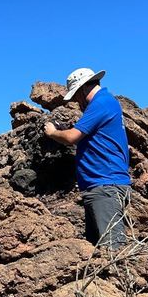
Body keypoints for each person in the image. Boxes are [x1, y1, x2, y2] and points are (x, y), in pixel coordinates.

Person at [43, 67, 131, 249]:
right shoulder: (104, 104)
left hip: (106, 186)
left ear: (83, 88)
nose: (77, 102)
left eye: (76, 96)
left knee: (113, 250)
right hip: (100, 186)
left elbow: (71, 137)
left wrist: (52, 133)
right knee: (98, 251)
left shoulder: (102, 103)